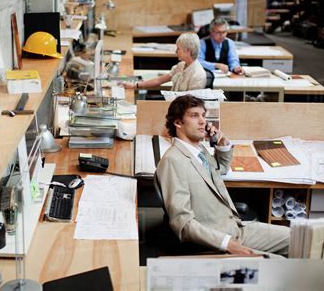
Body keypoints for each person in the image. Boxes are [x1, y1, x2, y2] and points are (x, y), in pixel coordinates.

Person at [155, 95, 289, 256]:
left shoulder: (199, 151)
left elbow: (219, 170)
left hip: (236, 228)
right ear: (178, 123)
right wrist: (227, 244)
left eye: (203, 115)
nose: (202, 121)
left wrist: (223, 145)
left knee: (302, 239)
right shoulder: (173, 161)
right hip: (215, 241)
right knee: (279, 263)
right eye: (194, 115)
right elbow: (183, 224)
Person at [123, 33, 206, 91]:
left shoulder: (198, 75)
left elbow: (192, 104)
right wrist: (135, 85)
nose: (176, 52)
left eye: (178, 49)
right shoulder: (180, 66)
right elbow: (158, 81)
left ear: (188, 51)